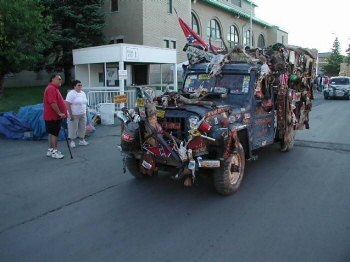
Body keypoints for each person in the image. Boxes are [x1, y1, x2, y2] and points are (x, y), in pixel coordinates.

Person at [43, 74, 67, 159]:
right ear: (53, 79)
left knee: (52, 133)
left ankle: (50, 149)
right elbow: (52, 102)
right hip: (53, 116)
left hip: (52, 116)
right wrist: (59, 113)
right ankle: (55, 151)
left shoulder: (54, 88)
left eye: (61, 79)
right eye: (59, 79)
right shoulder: (51, 88)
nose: (60, 80)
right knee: (54, 133)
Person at [65, 80, 89, 148]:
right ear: (74, 86)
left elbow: (85, 103)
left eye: (81, 85)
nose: (80, 87)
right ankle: (72, 141)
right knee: (73, 128)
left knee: (82, 127)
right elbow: (68, 104)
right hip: (74, 114)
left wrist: (86, 112)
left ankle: (82, 139)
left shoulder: (83, 93)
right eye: (78, 85)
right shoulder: (71, 93)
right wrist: (70, 114)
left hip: (82, 113)